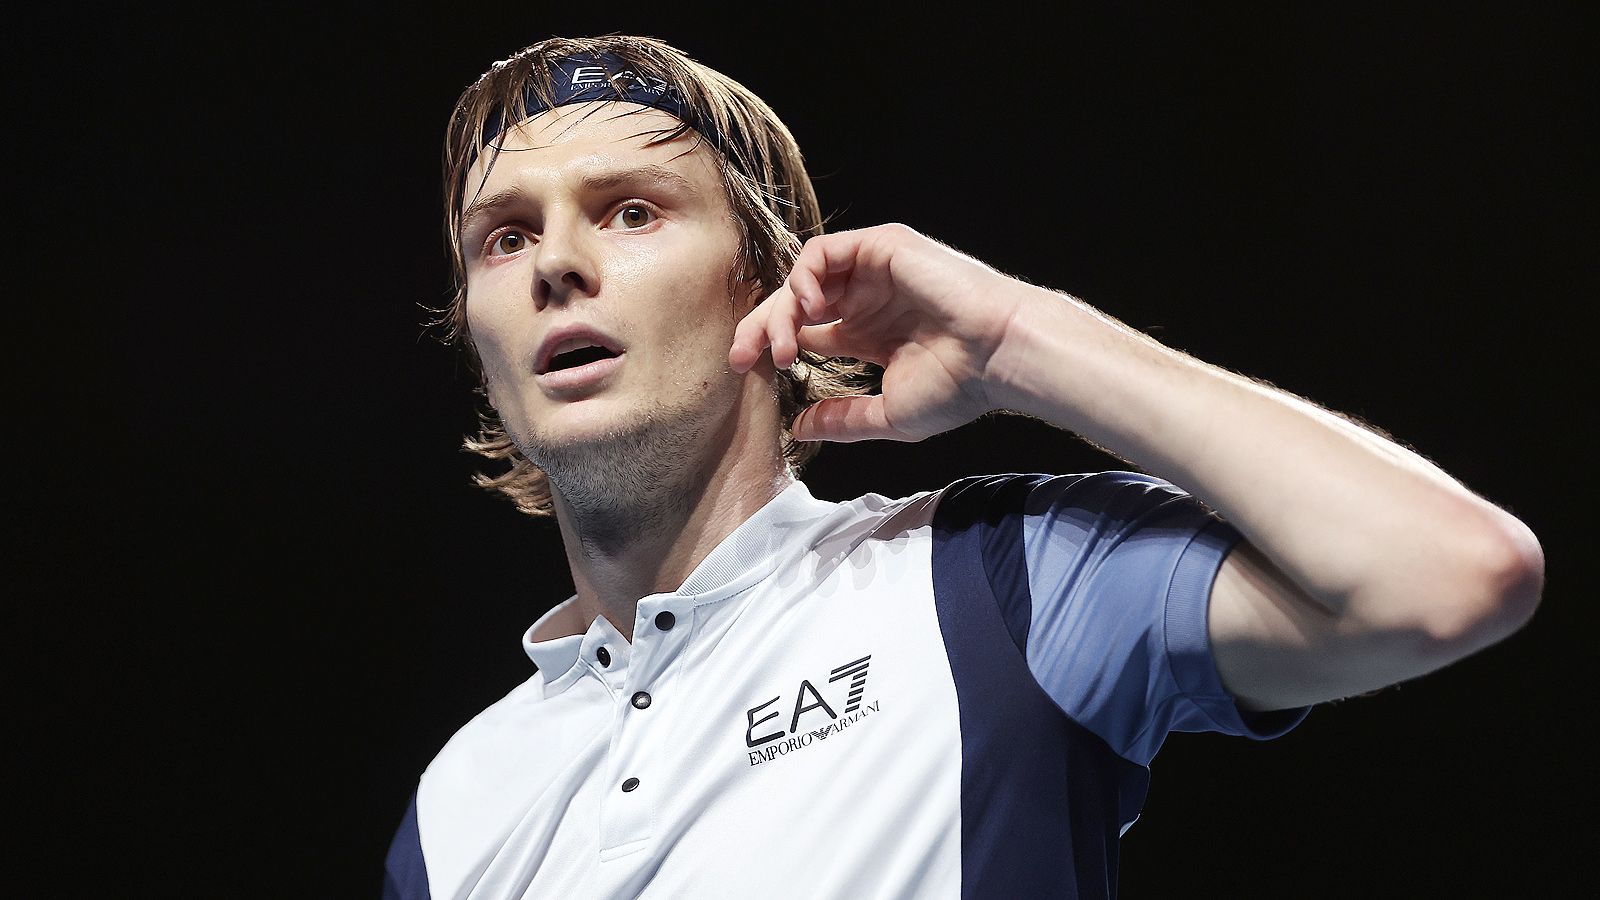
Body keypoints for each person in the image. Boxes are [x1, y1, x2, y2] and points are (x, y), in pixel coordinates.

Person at [384, 35, 1544, 899]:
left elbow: (1450, 573)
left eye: (630, 211)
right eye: (505, 237)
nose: (556, 265)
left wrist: (1020, 339)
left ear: (766, 281)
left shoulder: (989, 588)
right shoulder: (455, 803)